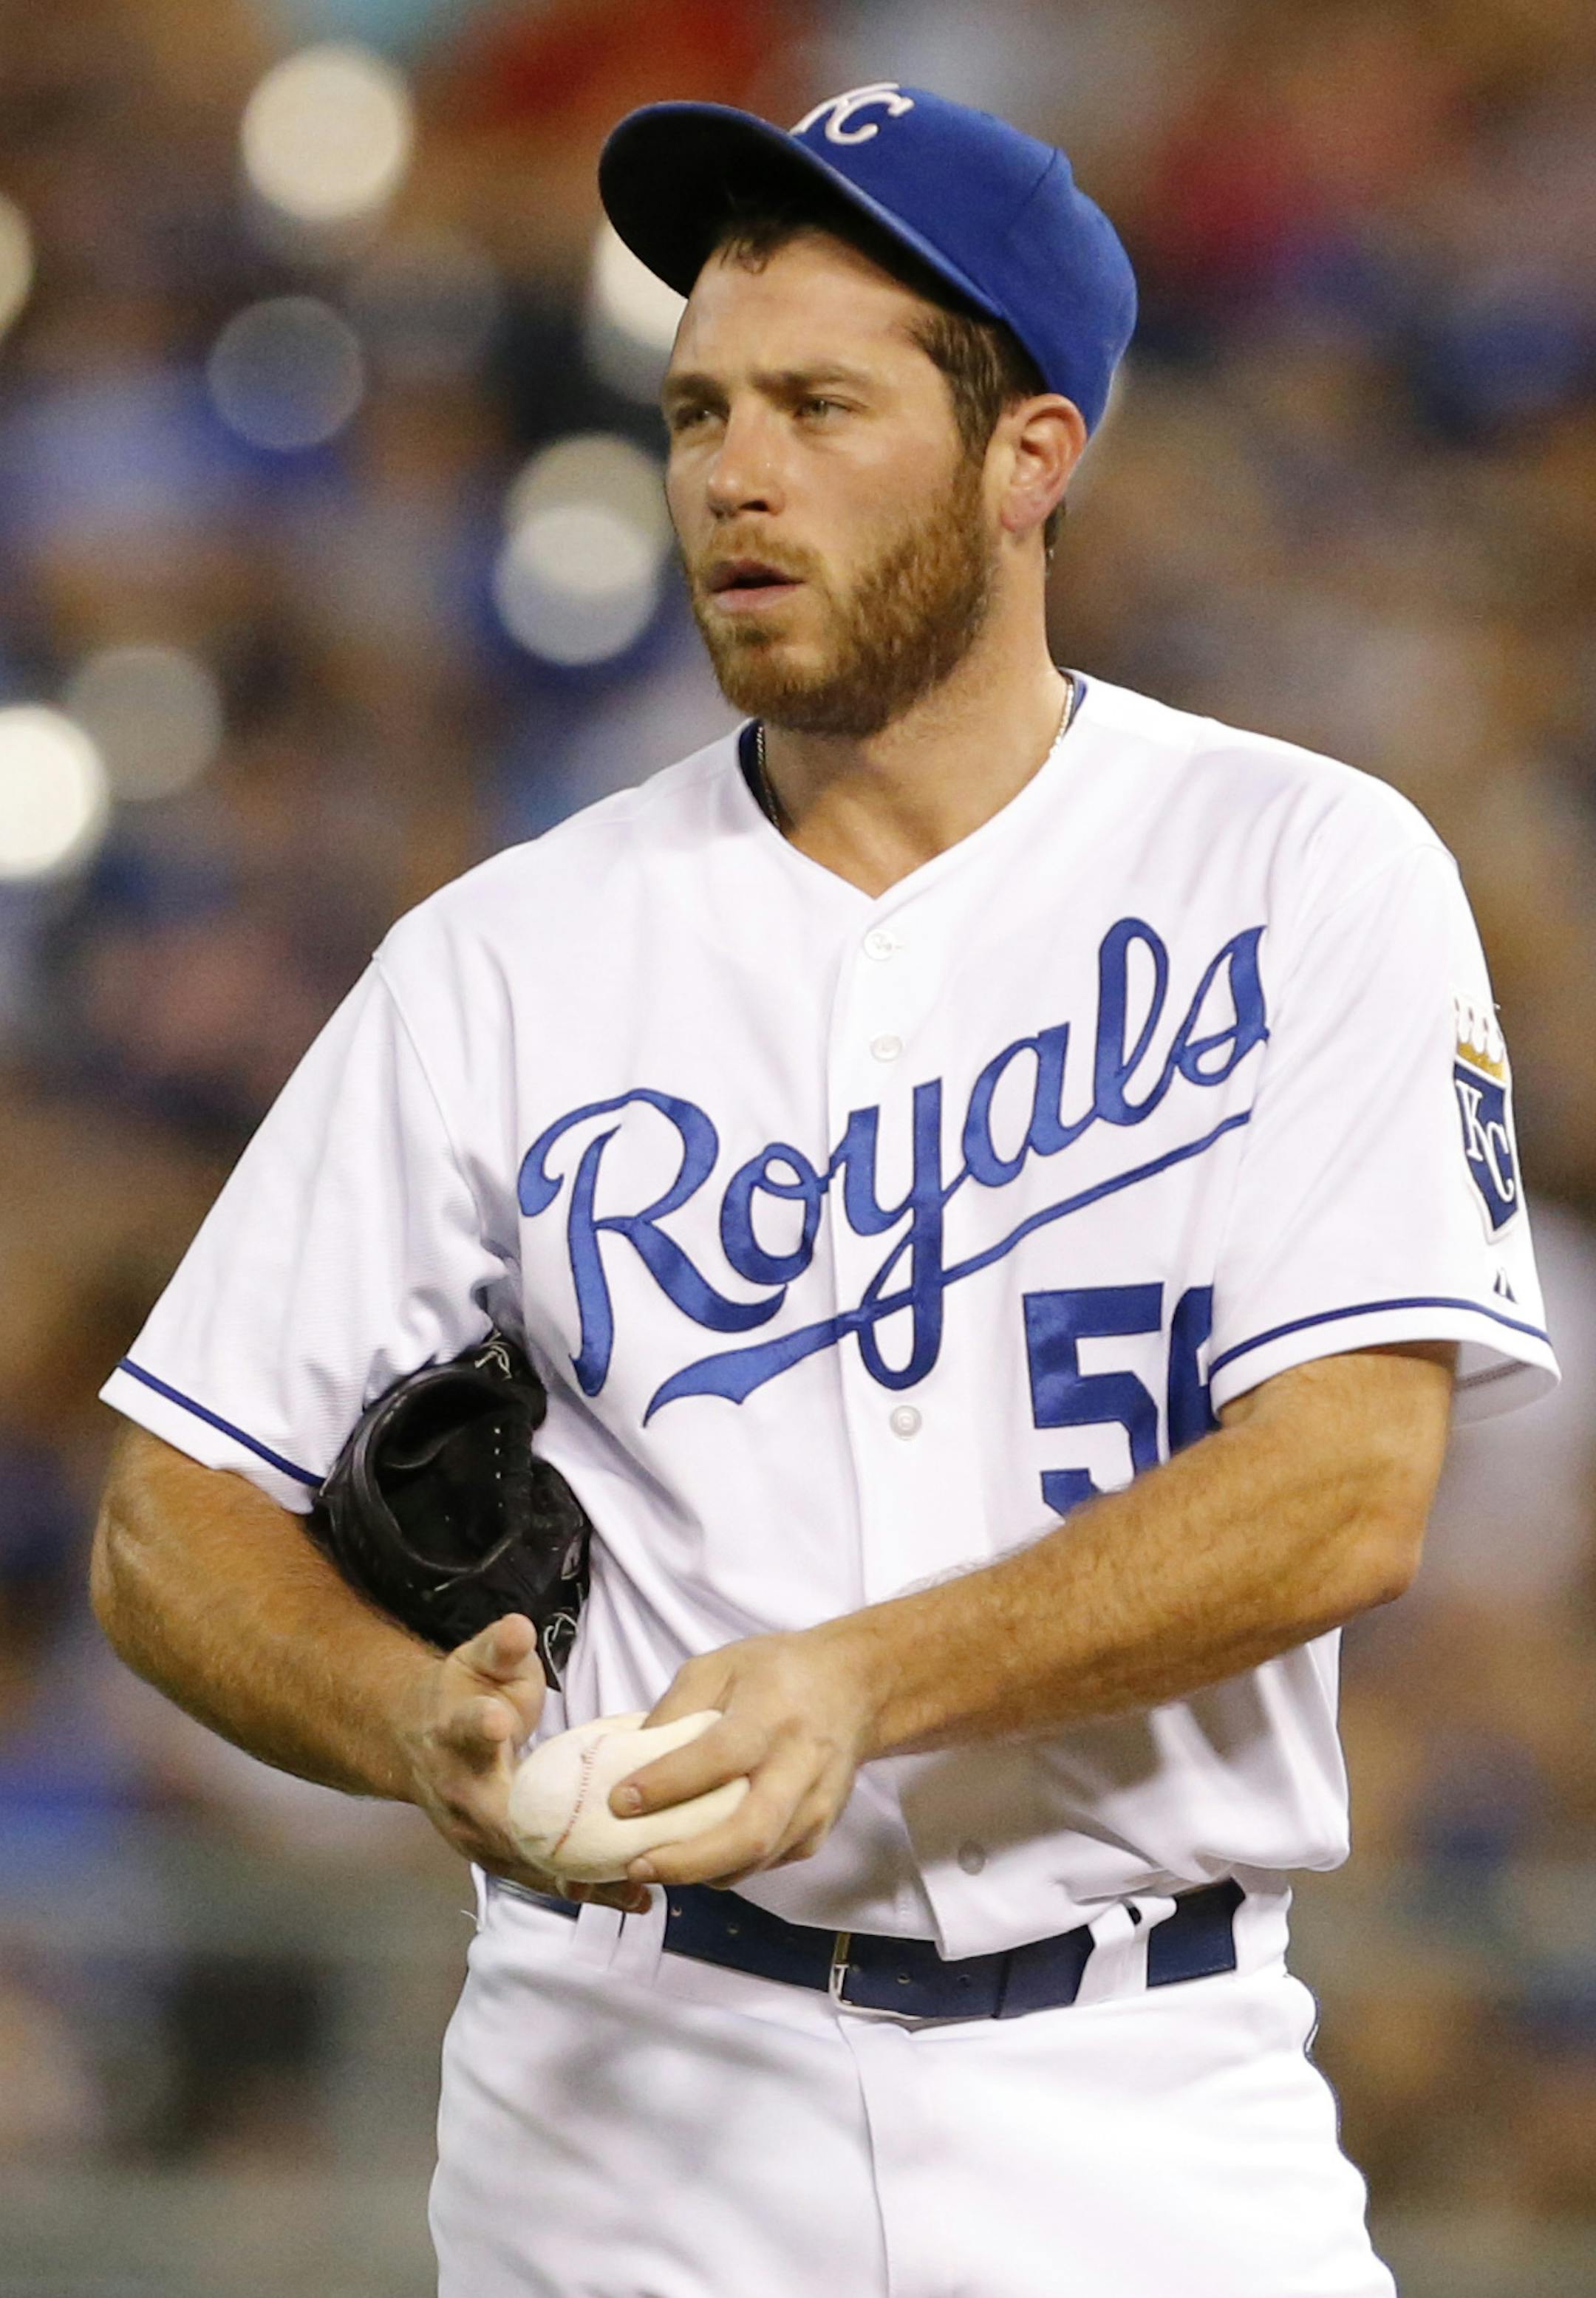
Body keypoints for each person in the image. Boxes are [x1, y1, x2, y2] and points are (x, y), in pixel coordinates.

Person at [92, 83, 1558, 2298]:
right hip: (628, 2096)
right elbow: (165, 1520)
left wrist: (868, 1682)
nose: (730, 477)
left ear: (1028, 457)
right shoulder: (512, 952)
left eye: (819, 405)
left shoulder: (1301, 870)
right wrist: (410, 1723)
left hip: (1140, 2094)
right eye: (697, 411)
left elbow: (1348, 1487)